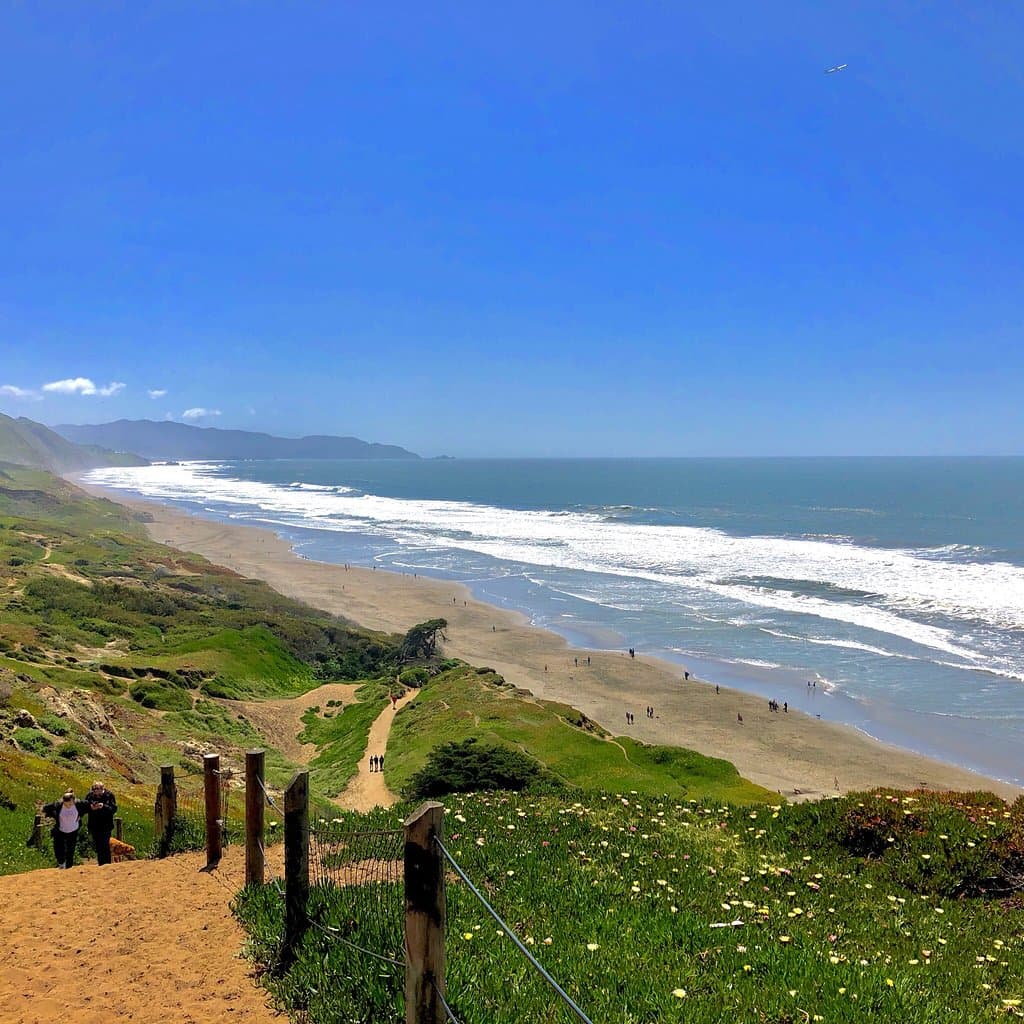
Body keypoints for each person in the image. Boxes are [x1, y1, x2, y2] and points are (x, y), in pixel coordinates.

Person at [38, 790, 90, 869]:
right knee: (58, 848)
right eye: (66, 803)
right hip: (60, 830)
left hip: (73, 830)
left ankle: (69, 867)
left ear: (73, 800)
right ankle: (61, 863)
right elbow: (46, 808)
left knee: (70, 849)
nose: (68, 805)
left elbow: (89, 805)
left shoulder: (79, 804)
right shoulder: (58, 805)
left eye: (69, 803)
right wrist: (47, 814)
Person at [85, 780, 117, 866]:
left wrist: (103, 806)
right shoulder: (90, 796)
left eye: (97, 789)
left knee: (105, 845)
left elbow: (113, 809)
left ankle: (107, 864)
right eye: (94, 789)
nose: (95, 791)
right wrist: (91, 807)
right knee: (98, 846)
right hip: (94, 825)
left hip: (106, 825)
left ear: (102, 788)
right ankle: (101, 864)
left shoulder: (109, 795)